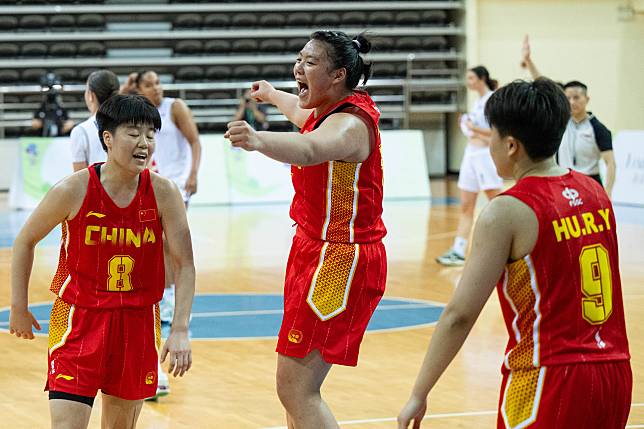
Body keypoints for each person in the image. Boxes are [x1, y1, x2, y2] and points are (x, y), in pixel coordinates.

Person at [398, 78, 631, 429]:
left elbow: (460, 314)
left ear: (510, 146)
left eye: (491, 135)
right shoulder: (595, 193)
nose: (487, 144)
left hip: (549, 377)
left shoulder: (507, 210)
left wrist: (419, 392)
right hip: (615, 371)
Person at [225, 31, 386, 428]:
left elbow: (311, 149)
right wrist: (272, 93)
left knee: (296, 388)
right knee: (294, 390)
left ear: (337, 75)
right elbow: (301, 116)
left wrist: (258, 139)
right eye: (299, 59)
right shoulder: (329, 109)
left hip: (340, 258)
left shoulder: (350, 126)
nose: (299, 67)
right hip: (315, 248)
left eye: (310, 62)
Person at [9, 94, 195, 429]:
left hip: (137, 324)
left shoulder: (165, 193)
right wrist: (18, 307)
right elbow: (25, 241)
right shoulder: (73, 190)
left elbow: (185, 265)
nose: (145, 143)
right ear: (107, 138)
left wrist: (180, 328)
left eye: (151, 134)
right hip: (80, 319)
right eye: (133, 133)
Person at [520, 35, 617, 197]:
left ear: (587, 99)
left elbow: (610, 163)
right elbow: (545, 86)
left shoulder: (598, 129)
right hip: (562, 181)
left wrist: (608, 192)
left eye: (576, 97)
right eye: (568, 98)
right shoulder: (561, 121)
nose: (572, 102)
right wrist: (529, 61)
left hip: (590, 182)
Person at [436, 66, 503, 266]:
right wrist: (466, 126)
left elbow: (495, 133)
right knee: (466, 205)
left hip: (485, 156)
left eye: (471, 77)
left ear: (482, 78)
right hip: (471, 154)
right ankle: (458, 250)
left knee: (496, 202)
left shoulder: (492, 100)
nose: (468, 81)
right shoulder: (477, 102)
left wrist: (474, 128)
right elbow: (475, 130)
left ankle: (505, 246)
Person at [70, 70, 120, 172]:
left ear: (90, 95)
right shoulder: (130, 123)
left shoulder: (80, 131)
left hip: (98, 187)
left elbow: (80, 180)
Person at [32, 72, 74, 137]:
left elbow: (69, 123)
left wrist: (61, 128)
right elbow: (34, 124)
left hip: (59, 139)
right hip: (43, 139)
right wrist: (43, 123)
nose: (51, 91)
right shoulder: (41, 109)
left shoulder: (61, 109)